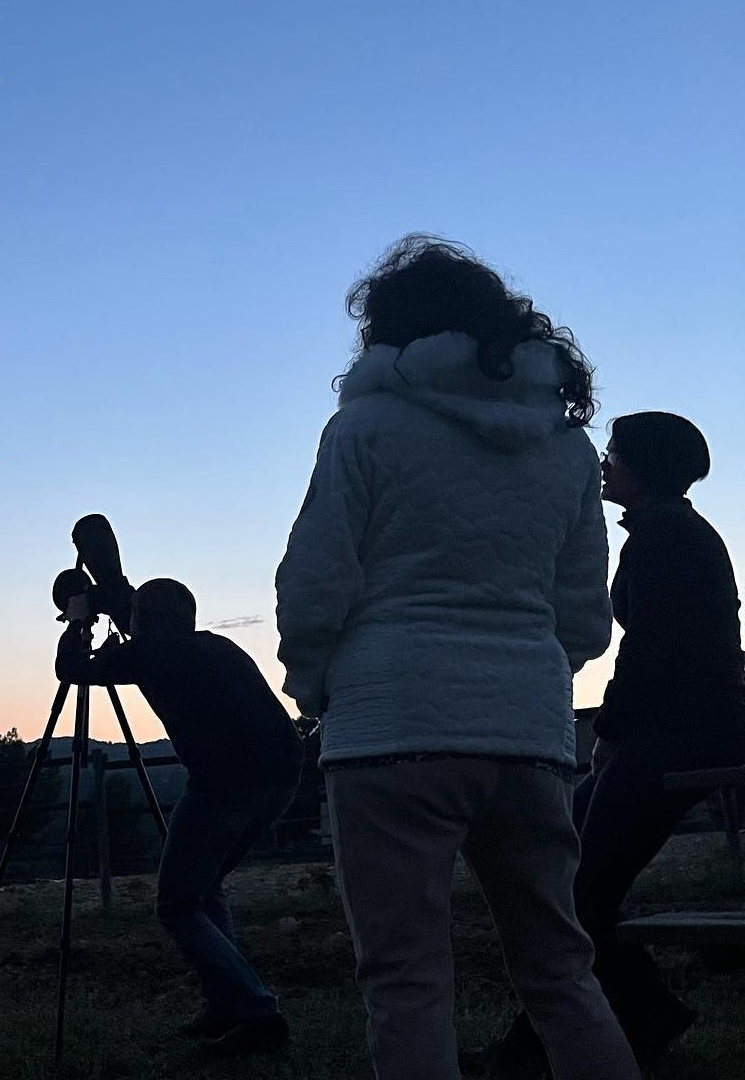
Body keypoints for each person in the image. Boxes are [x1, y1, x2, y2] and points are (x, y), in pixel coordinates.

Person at [275, 235, 640, 1080]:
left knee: (405, 980)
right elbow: (584, 612)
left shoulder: (363, 427)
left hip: (389, 726)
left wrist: (312, 683)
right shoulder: (567, 448)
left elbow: (317, 583)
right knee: (559, 970)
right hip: (529, 732)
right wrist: (534, 675)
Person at [470, 412, 745, 1072]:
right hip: (680, 732)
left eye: (614, 454)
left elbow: (653, 654)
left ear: (642, 468)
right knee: (568, 884)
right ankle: (637, 1015)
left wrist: (612, 736)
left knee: (574, 891)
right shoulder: (667, 532)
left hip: (676, 738)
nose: (604, 464)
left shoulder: (664, 539)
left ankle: (553, 1042)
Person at [56, 578, 302, 1056]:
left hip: (223, 787)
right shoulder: (216, 646)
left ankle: (257, 1010)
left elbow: (70, 671)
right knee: (203, 890)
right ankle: (226, 1006)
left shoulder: (149, 651)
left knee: (175, 904)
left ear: (145, 620)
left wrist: (77, 622)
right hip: (283, 776)